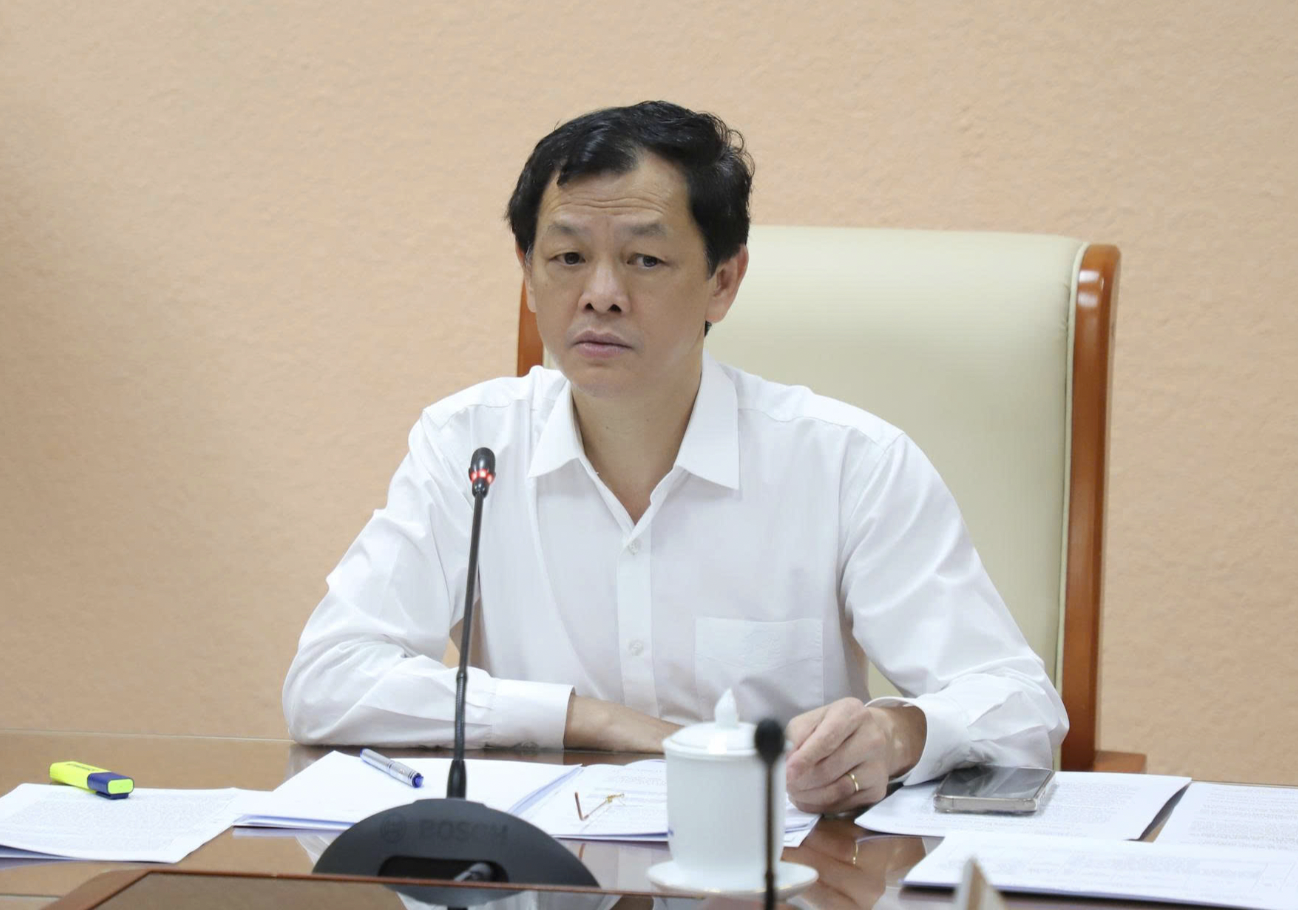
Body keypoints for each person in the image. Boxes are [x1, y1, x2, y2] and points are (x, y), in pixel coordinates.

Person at [283, 101, 1067, 815]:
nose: (600, 294)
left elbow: (1021, 706)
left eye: (645, 261)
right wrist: (586, 720)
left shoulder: (848, 465)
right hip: (541, 879)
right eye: (566, 258)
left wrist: (898, 734)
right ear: (527, 274)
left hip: (777, 878)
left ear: (724, 282)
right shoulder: (470, 446)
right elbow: (326, 681)